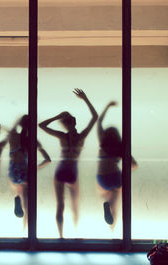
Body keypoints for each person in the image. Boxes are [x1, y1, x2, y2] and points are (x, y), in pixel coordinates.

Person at [39, 88, 98, 238]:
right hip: (72, 170)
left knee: (60, 205)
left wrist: (57, 116)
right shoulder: (81, 136)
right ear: (74, 122)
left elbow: (42, 125)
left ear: (65, 125)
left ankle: (61, 237)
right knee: (74, 205)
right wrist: (85, 99)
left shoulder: (62, 136)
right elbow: (95, 117)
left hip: (62, 169)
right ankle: (76, 233)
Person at [96, 101, 137, 229]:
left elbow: (99, 122)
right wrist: (125, 173)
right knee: (116, 199)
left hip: (102, 177)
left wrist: (107, 106)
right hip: (116, 176)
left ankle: (108, 205)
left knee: (105, 194)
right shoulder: (120, 148)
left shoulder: (102, 143)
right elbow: (134, 165)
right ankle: (113, 231)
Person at [8, 115, 51, 229]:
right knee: (27, 207)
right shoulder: (33, 141)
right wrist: (35, 168)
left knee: (16, 185)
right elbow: (48, 160)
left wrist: (19, 120)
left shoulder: (14, 137)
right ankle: (25, 231)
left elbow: (13, 128)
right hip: (25, 174)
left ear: (21, 125)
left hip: (13, 172)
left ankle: (17, 195)